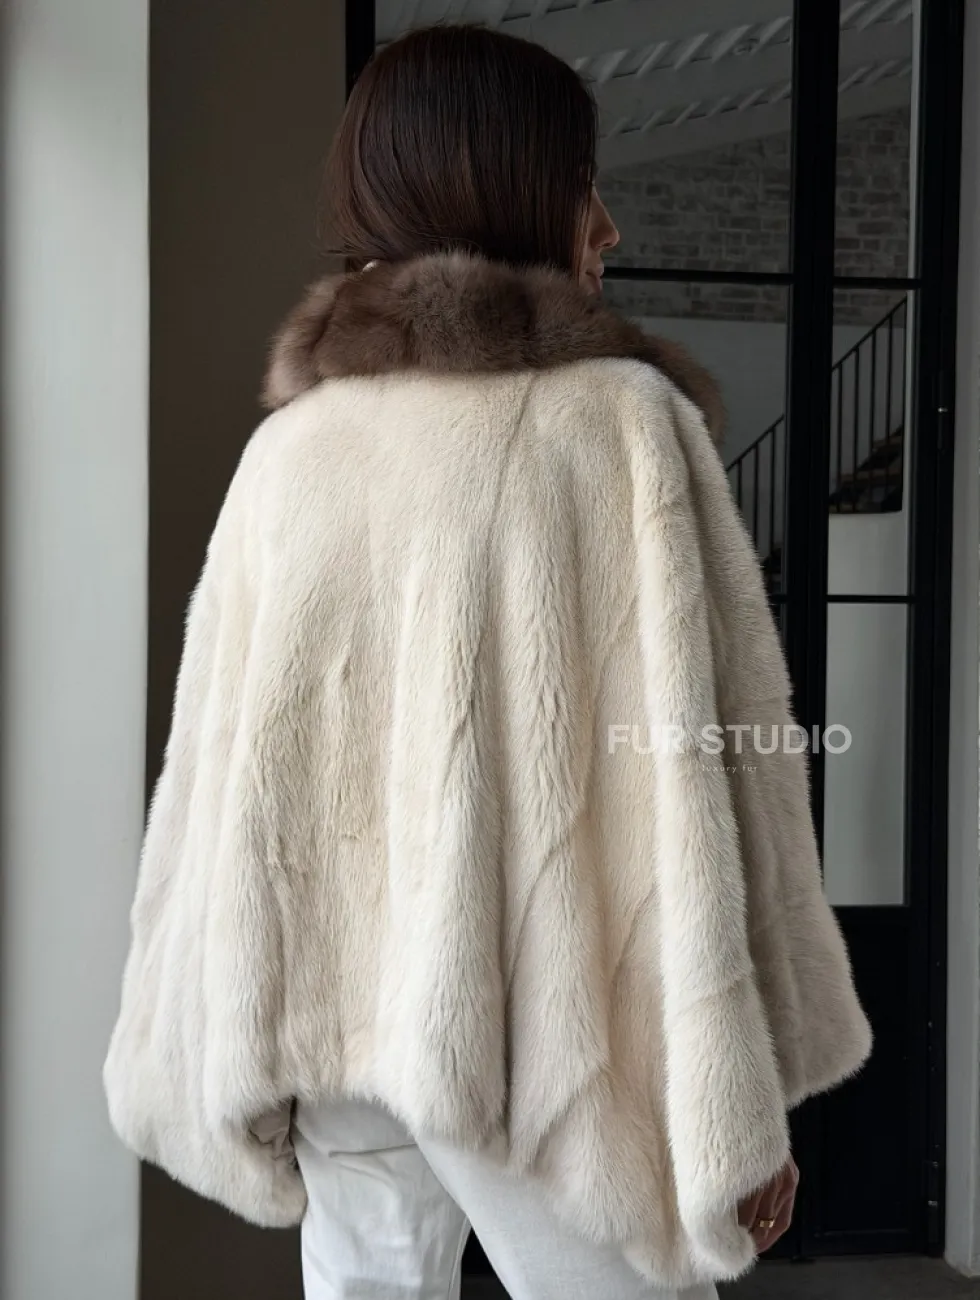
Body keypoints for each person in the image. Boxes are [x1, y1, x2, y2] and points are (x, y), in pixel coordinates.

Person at [104, 23, 871, 1300]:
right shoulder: (619, 427)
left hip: (328, 1020)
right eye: (581, 182)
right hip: (541, 1040)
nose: (606, 225)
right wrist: (730, 1098)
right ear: (505, 185)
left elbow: (219, 777)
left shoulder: (292, 450)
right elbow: (697, 776)